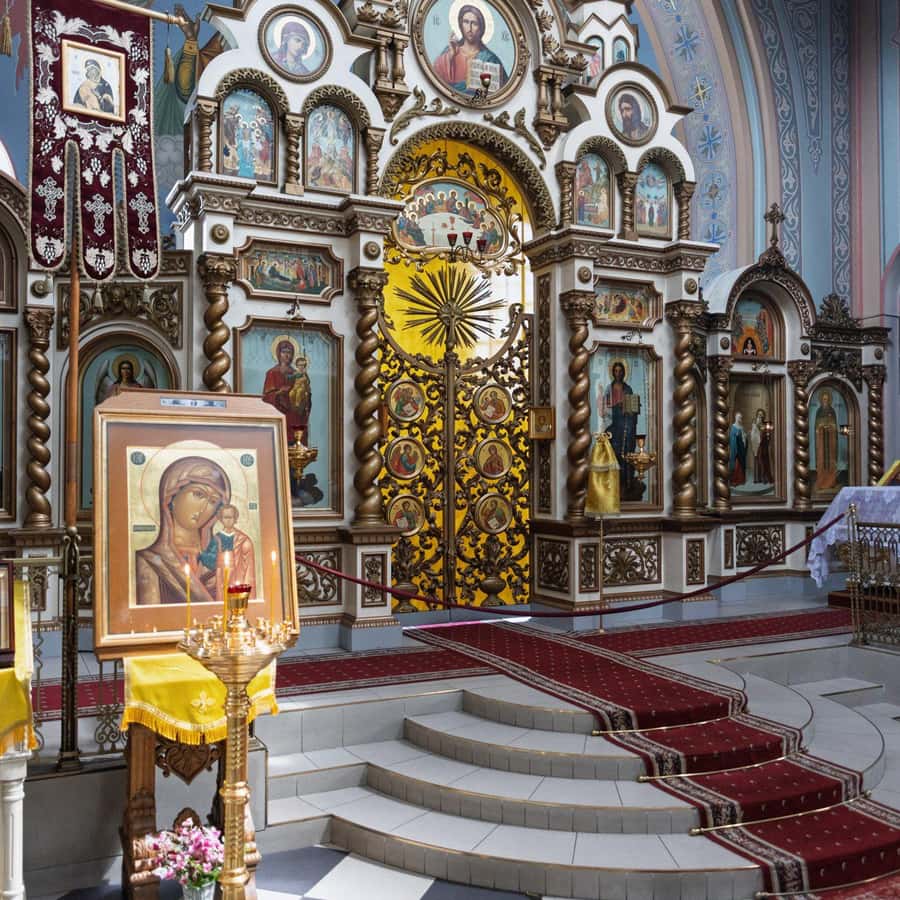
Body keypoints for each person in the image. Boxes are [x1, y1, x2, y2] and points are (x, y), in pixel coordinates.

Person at [135, 457, 230, 605]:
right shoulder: (150, 561)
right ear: (172, 496)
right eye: (198, 494)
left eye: (213, 501)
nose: (204, 508)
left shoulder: (221, 559)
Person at [432, 5, 509, 95]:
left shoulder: (491, 58)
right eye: (466, 22)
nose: (469, 28)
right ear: (461, 25)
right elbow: (435, 77)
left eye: (474, 23)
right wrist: (450, 56)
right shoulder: (450, 51)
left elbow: (502, 90)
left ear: (481, 28)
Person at [598, 361, 639, 496]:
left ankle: (626, 484)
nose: (618, 373)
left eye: (620, 371)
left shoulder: (628, 389)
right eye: (615, 371)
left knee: (625, 454)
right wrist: (615, 406)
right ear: (612, 373)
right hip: (613, 426)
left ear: (624, 373)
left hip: (625, 425)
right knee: (613, 454)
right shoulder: (608, 389)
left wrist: (627, 407)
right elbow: (604, 409)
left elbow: (633, 409)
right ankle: (613, 484)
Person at [262, 341, 310, 445]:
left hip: (295, 417)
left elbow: (306, 395)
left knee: (295, 444)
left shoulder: (296, 373)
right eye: (284, 352)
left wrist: (305, 396)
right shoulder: (272, 373)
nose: (287, 355)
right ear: (278, 353)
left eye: (289, 352)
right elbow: (266, 398)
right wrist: (280, 392)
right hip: (280, 416)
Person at [201, 504, 256, 595]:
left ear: (235, 519)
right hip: (222, 578)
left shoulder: (243, 539)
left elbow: (247, 563)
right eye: (226, 517)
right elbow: (210, 560)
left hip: (238, 577)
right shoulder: (217, 538)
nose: (228, 520)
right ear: (221, 519)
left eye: (231, 517)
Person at [814, 391, 839, 491]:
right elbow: (816, 427)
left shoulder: (832, 411)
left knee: (831, 460)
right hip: (821, 439)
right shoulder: (818, 411)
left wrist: (830, 426)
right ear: (821, 400)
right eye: (824, 399)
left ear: (829, 400)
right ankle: (821, 482)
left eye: (827, 399)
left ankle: (831, 482)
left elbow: (835, 425)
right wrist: (821, 426)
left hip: (830, 438)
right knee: (822, 460)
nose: (825, 401)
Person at [754, 408, 774, 485]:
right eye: (759, 414)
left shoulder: (766, 424)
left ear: (764, 416)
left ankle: (767, 477)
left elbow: (770, 431)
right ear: (757, 416)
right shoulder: (756, 425)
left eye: (762, 414)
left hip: (765, 446)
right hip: (758, 446)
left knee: (766, 462)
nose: (761, 416)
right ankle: (761, 478)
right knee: (760, 461)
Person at [729, 412, 747, 486]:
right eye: (739, 417)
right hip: (736, 448)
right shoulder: (733, 427)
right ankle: (734, 480)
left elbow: (744, 437)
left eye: (740, 417)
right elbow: (731, 438)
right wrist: (736, 436)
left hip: (741, 448)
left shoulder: (741, 427)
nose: (740, 419)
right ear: (735, 417)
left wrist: (745, 437)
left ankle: (741, 480)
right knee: (736, 465)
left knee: (741, 464)